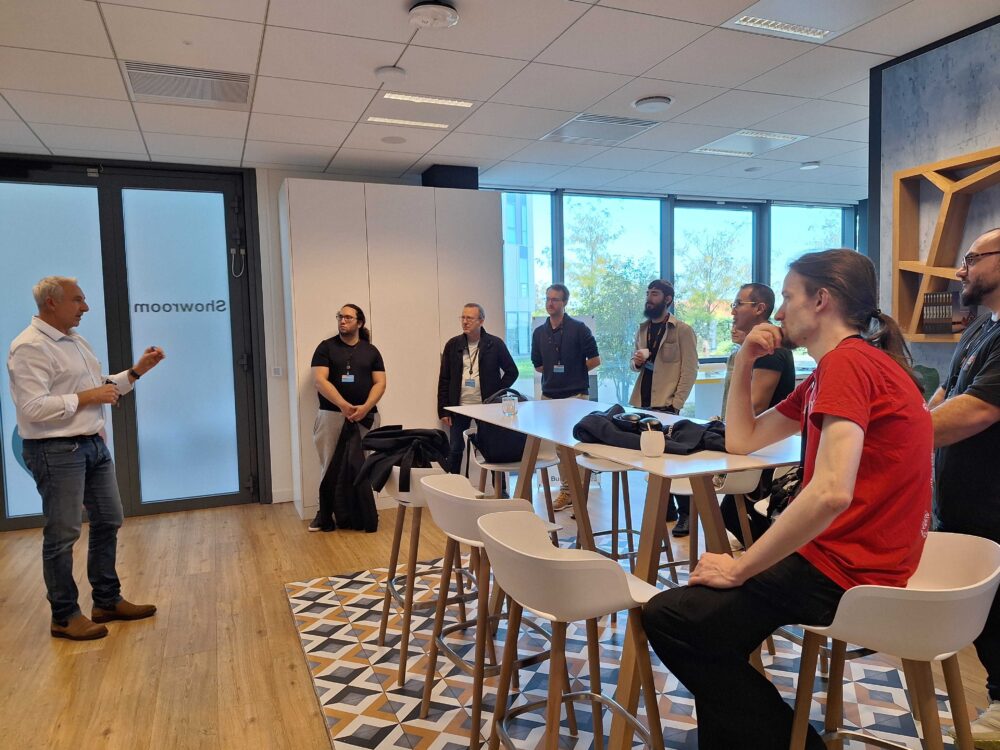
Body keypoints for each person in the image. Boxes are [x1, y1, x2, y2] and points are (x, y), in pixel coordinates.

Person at [642, 250, 933, 750]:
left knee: (671, 617)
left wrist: (741, 568)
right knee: (710, 631)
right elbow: (741, 440)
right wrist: (746, 361)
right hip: (859, 557)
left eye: (790, 297)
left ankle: (798, 744)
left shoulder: (847, 365)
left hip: (848, 568)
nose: (778, 313)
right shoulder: (836, 369)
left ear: (821, 300)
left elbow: (831, 491)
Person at [8, 276, 165, 641]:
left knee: (109, 520)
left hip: (92, 446)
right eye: (78, 300)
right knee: (63, 534)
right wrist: (88, 397)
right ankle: (64, 616)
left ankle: (107, 601)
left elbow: (98, 385)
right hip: (55, 451)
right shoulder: (28, 347)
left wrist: (137, 371)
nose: (85, 307)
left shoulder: (75, 341)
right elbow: (32, 408)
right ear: (51, 302)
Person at [928, 228, 1000, 743]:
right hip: (963, 499)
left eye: (972, 258)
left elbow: (973, 412)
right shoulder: (979, 329)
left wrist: (883, 435)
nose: (960, 270)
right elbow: (944, 395)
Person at [718, 283, 796, 546]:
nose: (733, 311)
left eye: (738, 304)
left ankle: (766, 560)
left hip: (766, 449)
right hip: (758, 445)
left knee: (733, 513)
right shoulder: (755, 350)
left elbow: (756, 404)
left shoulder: (770, 352)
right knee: (731, 512)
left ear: (760, 309)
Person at [628, 279, 697, 534]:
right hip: (642, 403)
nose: (649, 298)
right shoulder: (643, 328)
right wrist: (635, 362)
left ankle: (687, 514)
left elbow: (690, 370)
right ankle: (665, 508)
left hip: (666, 405)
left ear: (667, 299)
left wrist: (676, 404)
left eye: (654, 294)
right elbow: (635, 366)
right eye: (647, 293)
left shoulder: (682, 330)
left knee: (674, 461)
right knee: (652, 458)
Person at [309, 304, 386, 532]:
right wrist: (343, 405)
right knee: (329, 465)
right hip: (331, 416)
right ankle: (324, 514)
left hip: (365, 416)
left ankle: (362, 513)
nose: (342, 321)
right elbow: (319, 381)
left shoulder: (371, 351)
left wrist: (365, 408)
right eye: (340, 317)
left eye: (348, 317)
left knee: (363, 465)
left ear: (359, 323)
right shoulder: (326, 348)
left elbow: (380, 383)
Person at [530, 283, 600, 509]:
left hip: (576, 396)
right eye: (548, 299)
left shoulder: (579, 329)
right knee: (560, 447)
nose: (550, 303)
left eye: (555, 300)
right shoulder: (539, 332)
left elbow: (595, 360)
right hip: (550, 397)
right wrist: (554, 372)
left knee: (576, 445)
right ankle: (568, 492)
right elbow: (538, 365)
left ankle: (580, 494)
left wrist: (573, 372)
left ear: (565, 303)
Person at [437, 303, 518, 474]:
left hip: (487, 408)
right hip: (459, 407)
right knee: (455, 449)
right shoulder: (452, 345)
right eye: (463, 317)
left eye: (470, 318)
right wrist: (443, 410)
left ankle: (499, 490)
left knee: (493, 450)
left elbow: (512, 371)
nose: (465, 322)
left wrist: (497, 393)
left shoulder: (494, 344)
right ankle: (452, 488)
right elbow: (444, 378)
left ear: (481, 321)